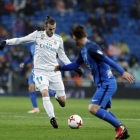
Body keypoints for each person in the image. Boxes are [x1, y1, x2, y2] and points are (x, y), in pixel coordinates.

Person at [0, 15, 82, 129]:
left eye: (54, 29)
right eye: (50, 29)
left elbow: (63, 56)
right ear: (45, 27)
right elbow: (21, 39)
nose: (52, 31)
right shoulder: (37, 35)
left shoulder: (58, 39)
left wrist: (74, 67)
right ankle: (52, 118)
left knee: (63, 102)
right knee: (44, 92)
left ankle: (57, 96)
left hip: (54, 71)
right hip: (40, 72)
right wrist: (6, 42)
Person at [54, 25, 134, 139]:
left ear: (74, 38)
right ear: (85, 35)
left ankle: (121, 128)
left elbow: (107, 59)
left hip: (107, 83)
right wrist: (62, 68)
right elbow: (76, 64)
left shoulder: (91, 47)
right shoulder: (83, 50)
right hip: (103, 84)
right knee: (104, 111)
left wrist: (123, 72)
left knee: (93, 108)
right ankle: (121, 130)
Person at [19, 44, 55, 113]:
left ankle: (56, 94)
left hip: (43, 70)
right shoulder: (32, 46)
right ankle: (36, 108)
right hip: (34, 70)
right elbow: (31, 57)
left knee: (42, 89)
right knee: (31, 87)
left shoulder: (45, 45)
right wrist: (25, 63)